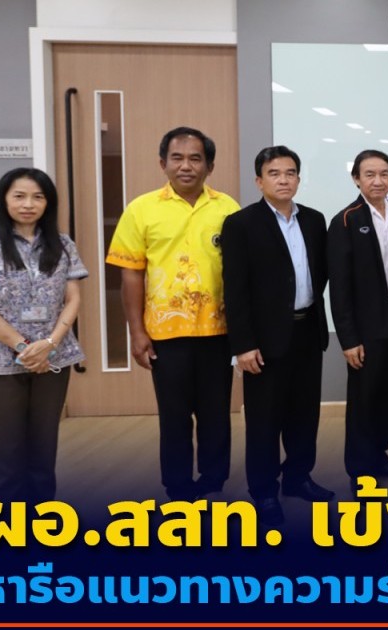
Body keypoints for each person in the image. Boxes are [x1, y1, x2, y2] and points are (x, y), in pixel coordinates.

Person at [106, 126, 240, 501]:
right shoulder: (141, 209)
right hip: (165, 334)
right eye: (177, 158)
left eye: (196, 158)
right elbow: (131, 274)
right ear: (162, 163)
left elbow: (241, 273)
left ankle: (214, 481)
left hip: (218, 331)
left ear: (210, 166)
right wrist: (136, 332)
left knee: (216, 413)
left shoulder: (228, 208)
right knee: (174, 415)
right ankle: (178, 487)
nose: (186, 166)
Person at [0, 168, 87, 503]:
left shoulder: (63, 244)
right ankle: (7, 529)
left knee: (43, 453)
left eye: (37, 197)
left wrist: (50, 344)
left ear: (48, 202)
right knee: (5, 458)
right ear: (4, 200)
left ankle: (43, 525)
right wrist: (25, 347)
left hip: (53, 358)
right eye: (19, 196)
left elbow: (73, 299)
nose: (28, 204)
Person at [221, 146, 332, 527]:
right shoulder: (240, 224)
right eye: (274, 173)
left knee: (305, 415)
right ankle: (264, 491)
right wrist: (243, 345)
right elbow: (235, 290)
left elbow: (320, 275)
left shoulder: (314, 220)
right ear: (259, 181)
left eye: (290, 173)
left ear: (298, 179)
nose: (283, 180)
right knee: (264, 420)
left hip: (307, 332)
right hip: (264, 341)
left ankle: (299, 477)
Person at [327, 149, 388, 491]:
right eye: (370, 174)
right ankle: (361, 472)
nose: (378, 181)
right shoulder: (346, 220)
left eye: (384, 174)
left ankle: (380, 455)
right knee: (364, 399)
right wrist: (349, 339)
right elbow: (339, 287)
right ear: (356, 179)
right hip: (366, 326)